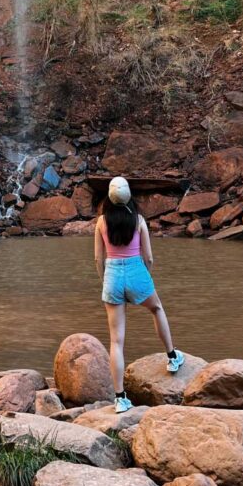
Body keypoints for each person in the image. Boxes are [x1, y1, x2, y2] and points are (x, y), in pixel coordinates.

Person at [95, 175, 184, 412]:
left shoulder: (102, 222)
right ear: (129, 196)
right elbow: (149, 257)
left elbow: (97, 258)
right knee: (156, 309)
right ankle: (172, 357)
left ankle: (120, 398)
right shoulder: (139, 220)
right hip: (137, 271)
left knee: (116, 340)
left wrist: (104, 279)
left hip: (112, 274)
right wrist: (146, 277)